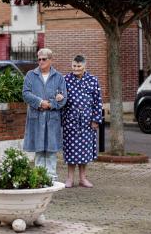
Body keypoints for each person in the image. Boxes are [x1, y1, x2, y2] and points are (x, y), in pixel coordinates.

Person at [22, 48, 67, 181]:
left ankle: (51, 177)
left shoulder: (58, 77)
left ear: (50, 60)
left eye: (44, 59)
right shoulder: (31, 75)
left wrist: (51, 104)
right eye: (39, 59)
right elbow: (25, 94)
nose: (40, 61)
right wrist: (40, 102)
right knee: (39, 148)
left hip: (52, 118)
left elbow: (63, 98)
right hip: (36, 117)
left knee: (51, 149)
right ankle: (39, 176)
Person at [62, 54, 103, 188]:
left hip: (87, 121)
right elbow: (60, 98)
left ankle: (83, 178)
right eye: (74, 66)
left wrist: (96, 119)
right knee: (71, 150)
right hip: (71, 120)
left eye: (79, 66)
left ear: (85, 66)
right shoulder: (65, 80)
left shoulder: (93, 80)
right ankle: (69, 178)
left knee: (84, 150)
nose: (76, 68)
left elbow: (98, 101)